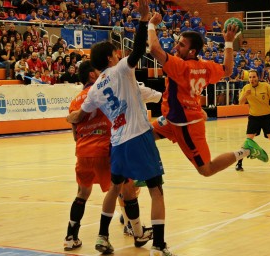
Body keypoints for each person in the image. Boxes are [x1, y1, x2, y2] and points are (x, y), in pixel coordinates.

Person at [66, 1, 175, 255]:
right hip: (138, 135)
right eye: (116, 52)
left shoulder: (94, 89)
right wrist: (145, 20)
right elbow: (138, 49)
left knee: (116, 189)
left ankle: (103, 236)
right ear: (110, 58)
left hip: (116, 142)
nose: (119, 54)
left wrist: (70, 117)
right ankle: (158, 245)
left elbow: (79, 115)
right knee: (156, 189)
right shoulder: (121, 70)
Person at [147, 13, 269, 179]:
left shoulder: (180, 66)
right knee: (142, 138)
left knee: (206, 169)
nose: (176, 48)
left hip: (187, 125)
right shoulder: (205, 66)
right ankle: (145, 176)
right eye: (177, 43)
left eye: (181, 45)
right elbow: (227, 70)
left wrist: (152, 24)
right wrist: (228, 42)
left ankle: (246, 150)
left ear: (191, 51)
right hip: (171, 119)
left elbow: (154, 49)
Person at [64, 60, 162, 251]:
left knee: (82, 194)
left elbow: (75, 135)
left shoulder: (75, 101)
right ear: (92, 76)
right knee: (126, 189)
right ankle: (136, 232)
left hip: (83, 152)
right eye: (97, 70)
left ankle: (70, 237)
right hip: (105, 149)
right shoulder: (100, 93)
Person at [235, 70, 270, 171]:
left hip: (267, 117)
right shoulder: (246, 88)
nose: (252, 79)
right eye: (250, 77)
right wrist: (245, 95)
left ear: (258, 77)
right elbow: (240, 103)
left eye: (254, 77)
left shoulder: (266, 86)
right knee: (248, 141)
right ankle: (239, 162)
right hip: (253, 118)